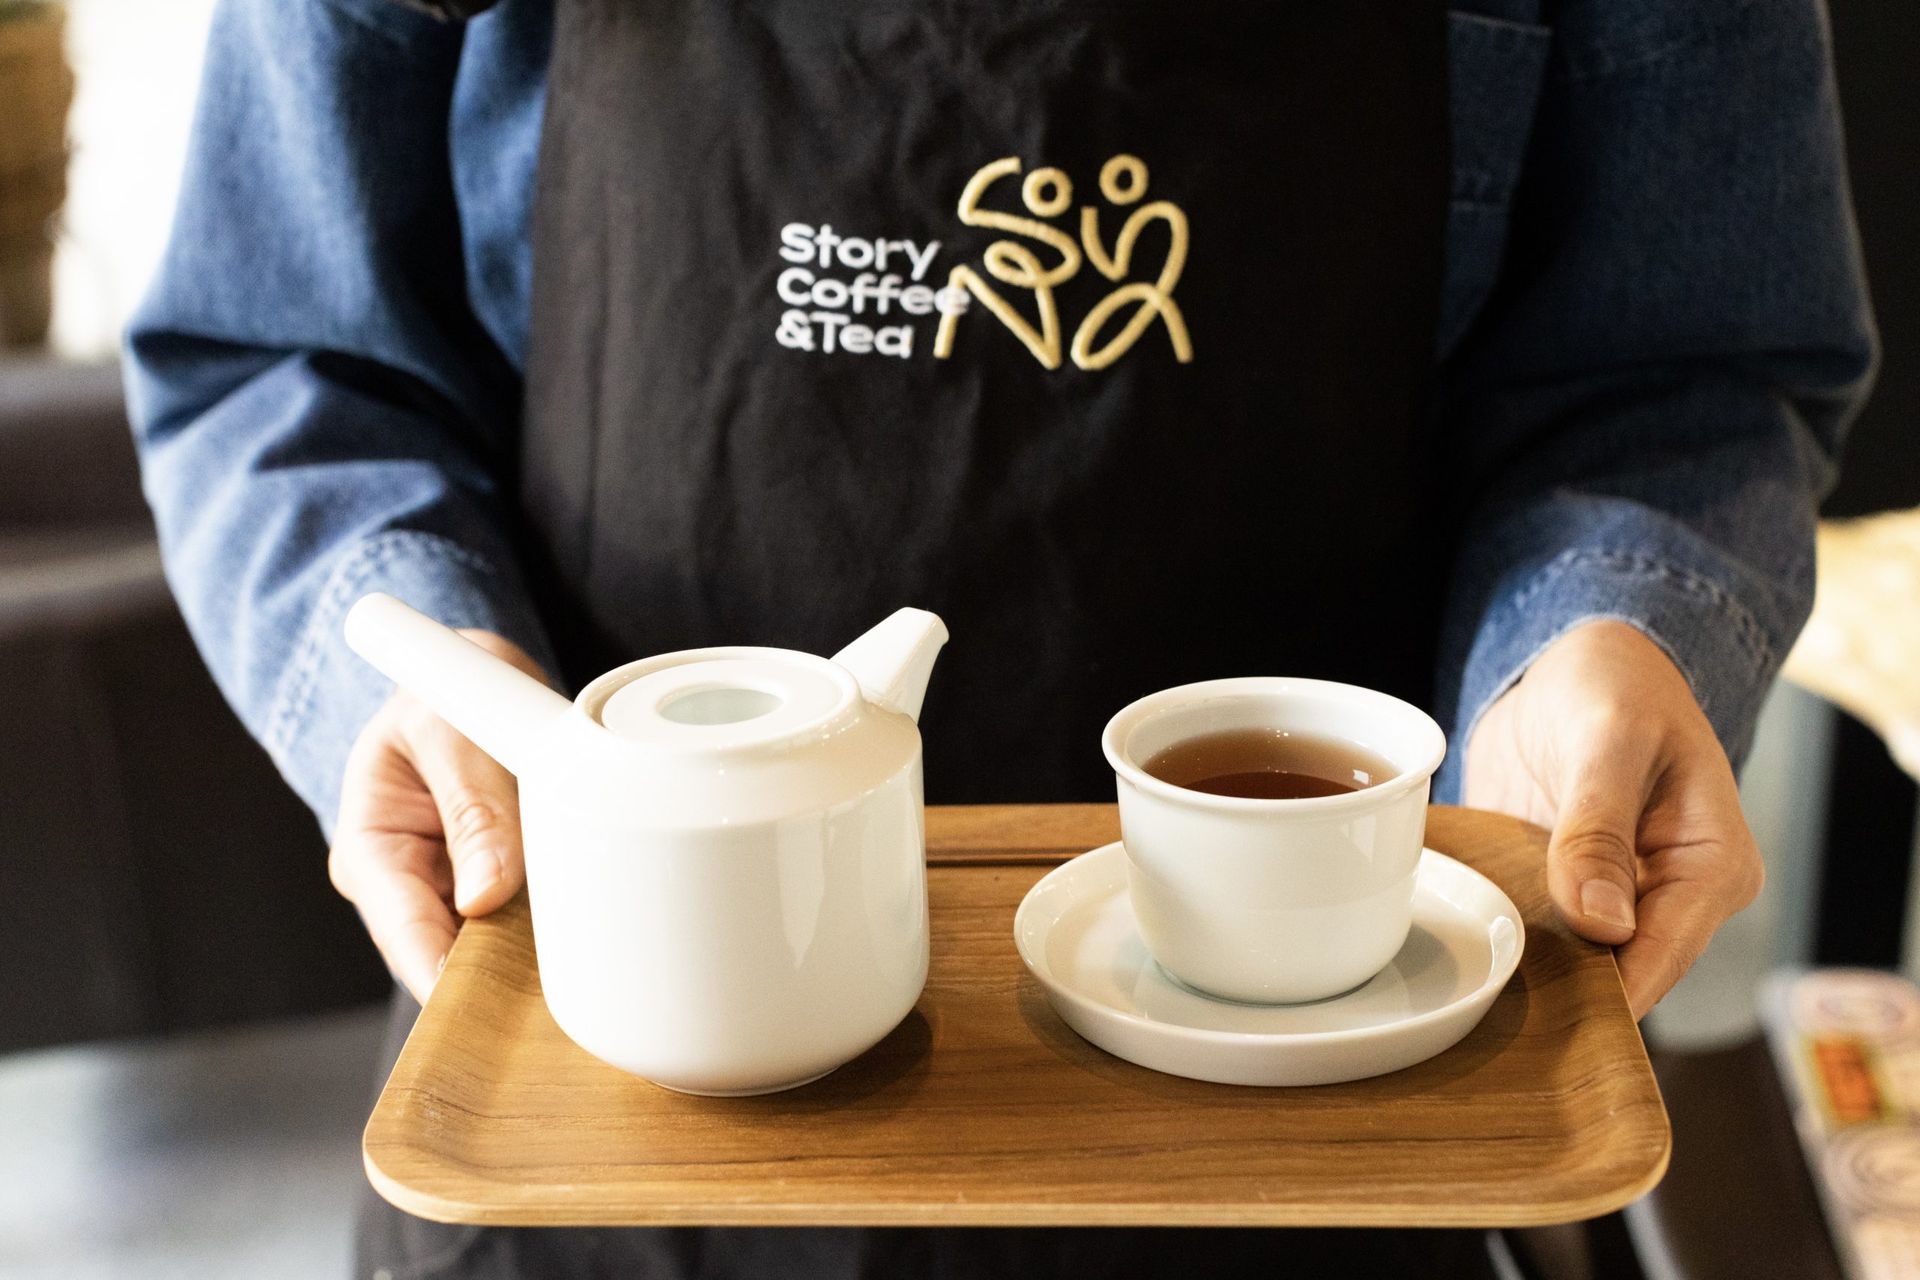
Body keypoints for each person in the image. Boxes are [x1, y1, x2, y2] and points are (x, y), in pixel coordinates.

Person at [125, 0, 1875, 1274]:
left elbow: (1677, 370)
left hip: (1326, 1126)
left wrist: (1601, 639)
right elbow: (289, 352)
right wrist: (427, 673)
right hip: (610, 1121)